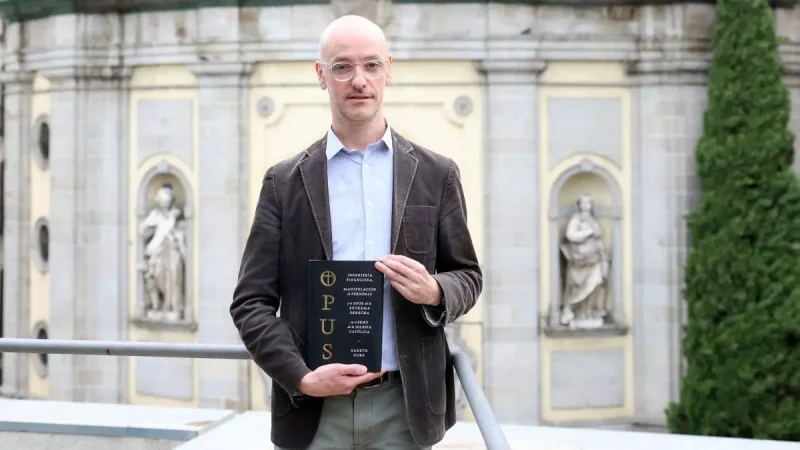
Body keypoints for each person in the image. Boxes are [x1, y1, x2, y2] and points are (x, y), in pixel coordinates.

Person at [230, 14, 482, 450]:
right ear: (321, 76)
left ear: (389, 69)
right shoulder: (283, 182)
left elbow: (468, 277)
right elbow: (250, 303)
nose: (358, 80)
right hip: (314, 412)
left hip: (405, 408)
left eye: (371, 65)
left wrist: (435, 291)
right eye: (342, 67)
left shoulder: (437, 174)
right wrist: (302, 378)